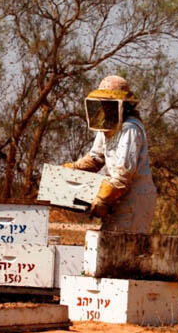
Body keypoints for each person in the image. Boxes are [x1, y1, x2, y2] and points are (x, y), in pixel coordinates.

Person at [63, 75, 156, 233]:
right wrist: (68, 170)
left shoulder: (130, 128)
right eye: (101, 103)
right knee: (108, 244)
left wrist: (102, 199)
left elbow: (123, 174)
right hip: (119, 196)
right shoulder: (106, 126)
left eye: (107, 103)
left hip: (135, 199)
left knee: (122, 248)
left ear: (122, 105)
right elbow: (95, 158)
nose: (103, 107)